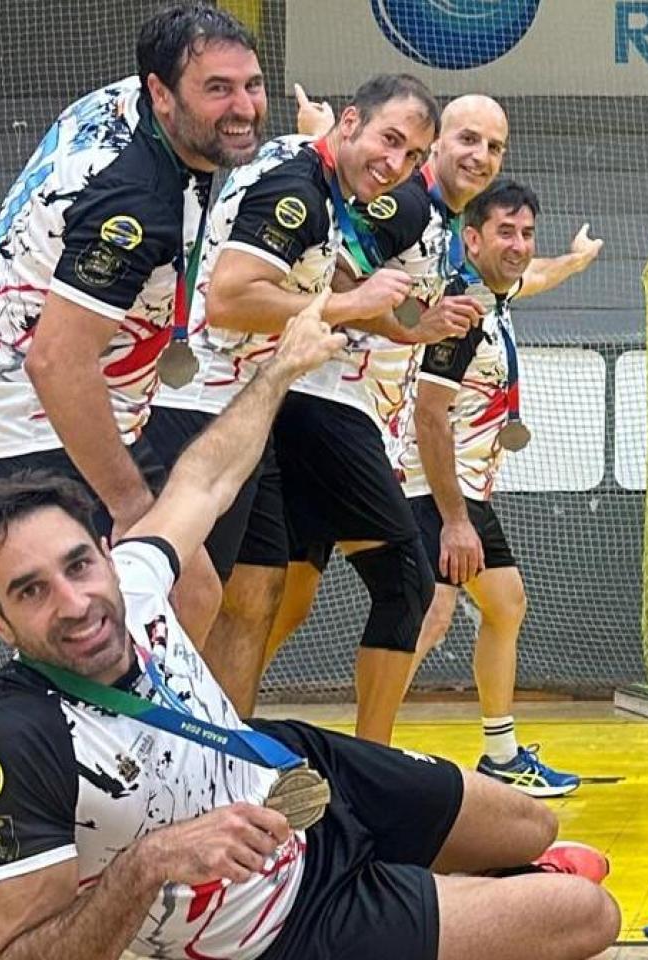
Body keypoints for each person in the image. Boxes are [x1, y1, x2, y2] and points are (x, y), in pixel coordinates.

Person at [0, 294, 619, 960]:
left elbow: (203, 480)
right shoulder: (13, 745)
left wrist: (282, 369)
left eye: (78, 564)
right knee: (589, 916)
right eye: (31, 592)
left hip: (285, 768)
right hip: (285, 923)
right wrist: (148, 863)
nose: (76, 601)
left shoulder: (132, 585)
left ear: (106, 553)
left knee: (535, 823)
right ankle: (443, 897)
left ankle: (452, 891)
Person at [254, 92, 604, 742]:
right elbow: (336, 256)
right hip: (336, 409)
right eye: (466, 138)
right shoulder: (412, 205)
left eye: (494, 146)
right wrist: (316, 144)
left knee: (283, 600)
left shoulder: (448, 247)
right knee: (409, 585)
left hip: (339, 420)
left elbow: (520, 280)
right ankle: (370, 761)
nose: (480, 155)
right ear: (434, 143)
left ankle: (214, 726)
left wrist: (574, 262)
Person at [0, 1, 266, 642]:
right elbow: (56, 361)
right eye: (218, 90)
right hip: (28, 394)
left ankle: (113, 734)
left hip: (77, 375)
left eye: (252, 85)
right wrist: (131, 507)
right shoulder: (134, 205)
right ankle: (81, 737)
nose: (245, 108)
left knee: (189, 589)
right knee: (155, 594)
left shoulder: (129, 106)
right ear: (162, 93)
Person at [145, 74, 454, 739]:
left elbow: (336, 284)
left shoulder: (329, 192)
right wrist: (351, 306)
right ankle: (148, 742)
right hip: (198, 408)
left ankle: (226, 756)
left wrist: (405, 328)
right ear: (349, 123)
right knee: (188, 596)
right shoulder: (297, 189)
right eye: (389, 141)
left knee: (258, 592)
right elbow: (231, 297)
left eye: (411, 157)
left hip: (255, 408)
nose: (396, 164)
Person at [392, 179, 582, 795]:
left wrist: (576, 260)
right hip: (436, 490)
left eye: (527, 233)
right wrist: (454, 518)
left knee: (499, 605)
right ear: (470, 238)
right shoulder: (464, 310)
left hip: (463, 490)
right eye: (505, 232)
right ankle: (365, 750)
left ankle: (500, 755)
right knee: (431, 615)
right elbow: (428, 414)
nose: (520, 245)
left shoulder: (498, 297)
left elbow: (538, 275)